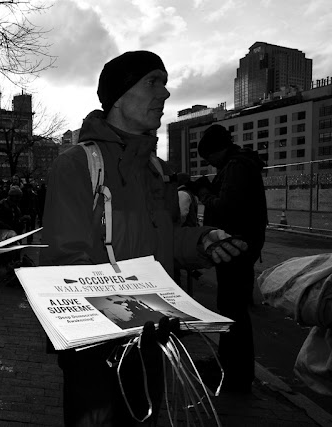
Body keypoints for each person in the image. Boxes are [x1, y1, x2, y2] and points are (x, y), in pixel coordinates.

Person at [40, 50, 248, 426]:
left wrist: (202, 241)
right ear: (119, 96)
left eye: (165, 83)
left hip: (152, 339)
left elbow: (163, 244)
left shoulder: (157, 170)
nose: (165, 94)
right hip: (98, 350)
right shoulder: (76, 164)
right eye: (153, 82)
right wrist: (131, 311)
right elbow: (65, 261)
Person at [196, 124, 268, 393]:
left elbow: (226, 209)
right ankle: (227, 366)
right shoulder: (237, 165)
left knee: (233, 311)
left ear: (216, 152)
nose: (210, 165)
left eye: (209, 159)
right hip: (237, 247)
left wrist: (204, 193)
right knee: (229, 309)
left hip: (236, 249)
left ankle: (236, 376)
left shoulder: (237, 168)